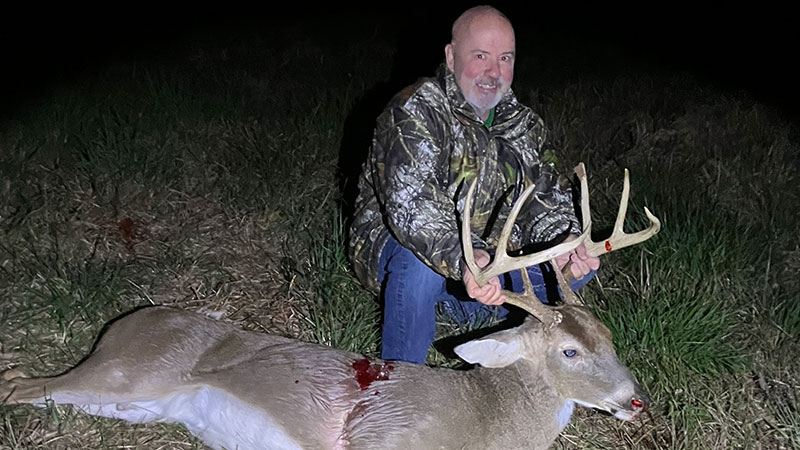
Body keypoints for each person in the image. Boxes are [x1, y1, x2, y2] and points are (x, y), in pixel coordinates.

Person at [349, 6, 600, 364]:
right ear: (451, 57)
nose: (493, 72)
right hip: (403, 250)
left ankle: (475, 313)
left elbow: (546, 199)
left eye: (505, 58)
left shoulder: (524, 125)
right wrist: (465, 258)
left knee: (571, 272)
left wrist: (563, 243)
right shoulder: (414, 110)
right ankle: (400, 380)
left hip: (484, 262)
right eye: (480, 56)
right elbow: (413, 206)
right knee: (418, 265)